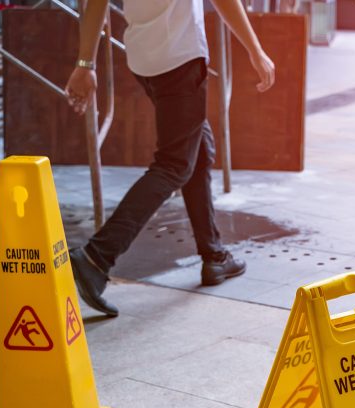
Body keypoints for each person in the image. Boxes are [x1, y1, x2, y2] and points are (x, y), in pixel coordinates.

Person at [64, 0, 275, 317]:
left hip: (144, 59)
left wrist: (86, 63)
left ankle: (214, 256)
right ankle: (97, 257)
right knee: (173, 165)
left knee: (197, 146)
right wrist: (256, 50)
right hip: (181, 58)